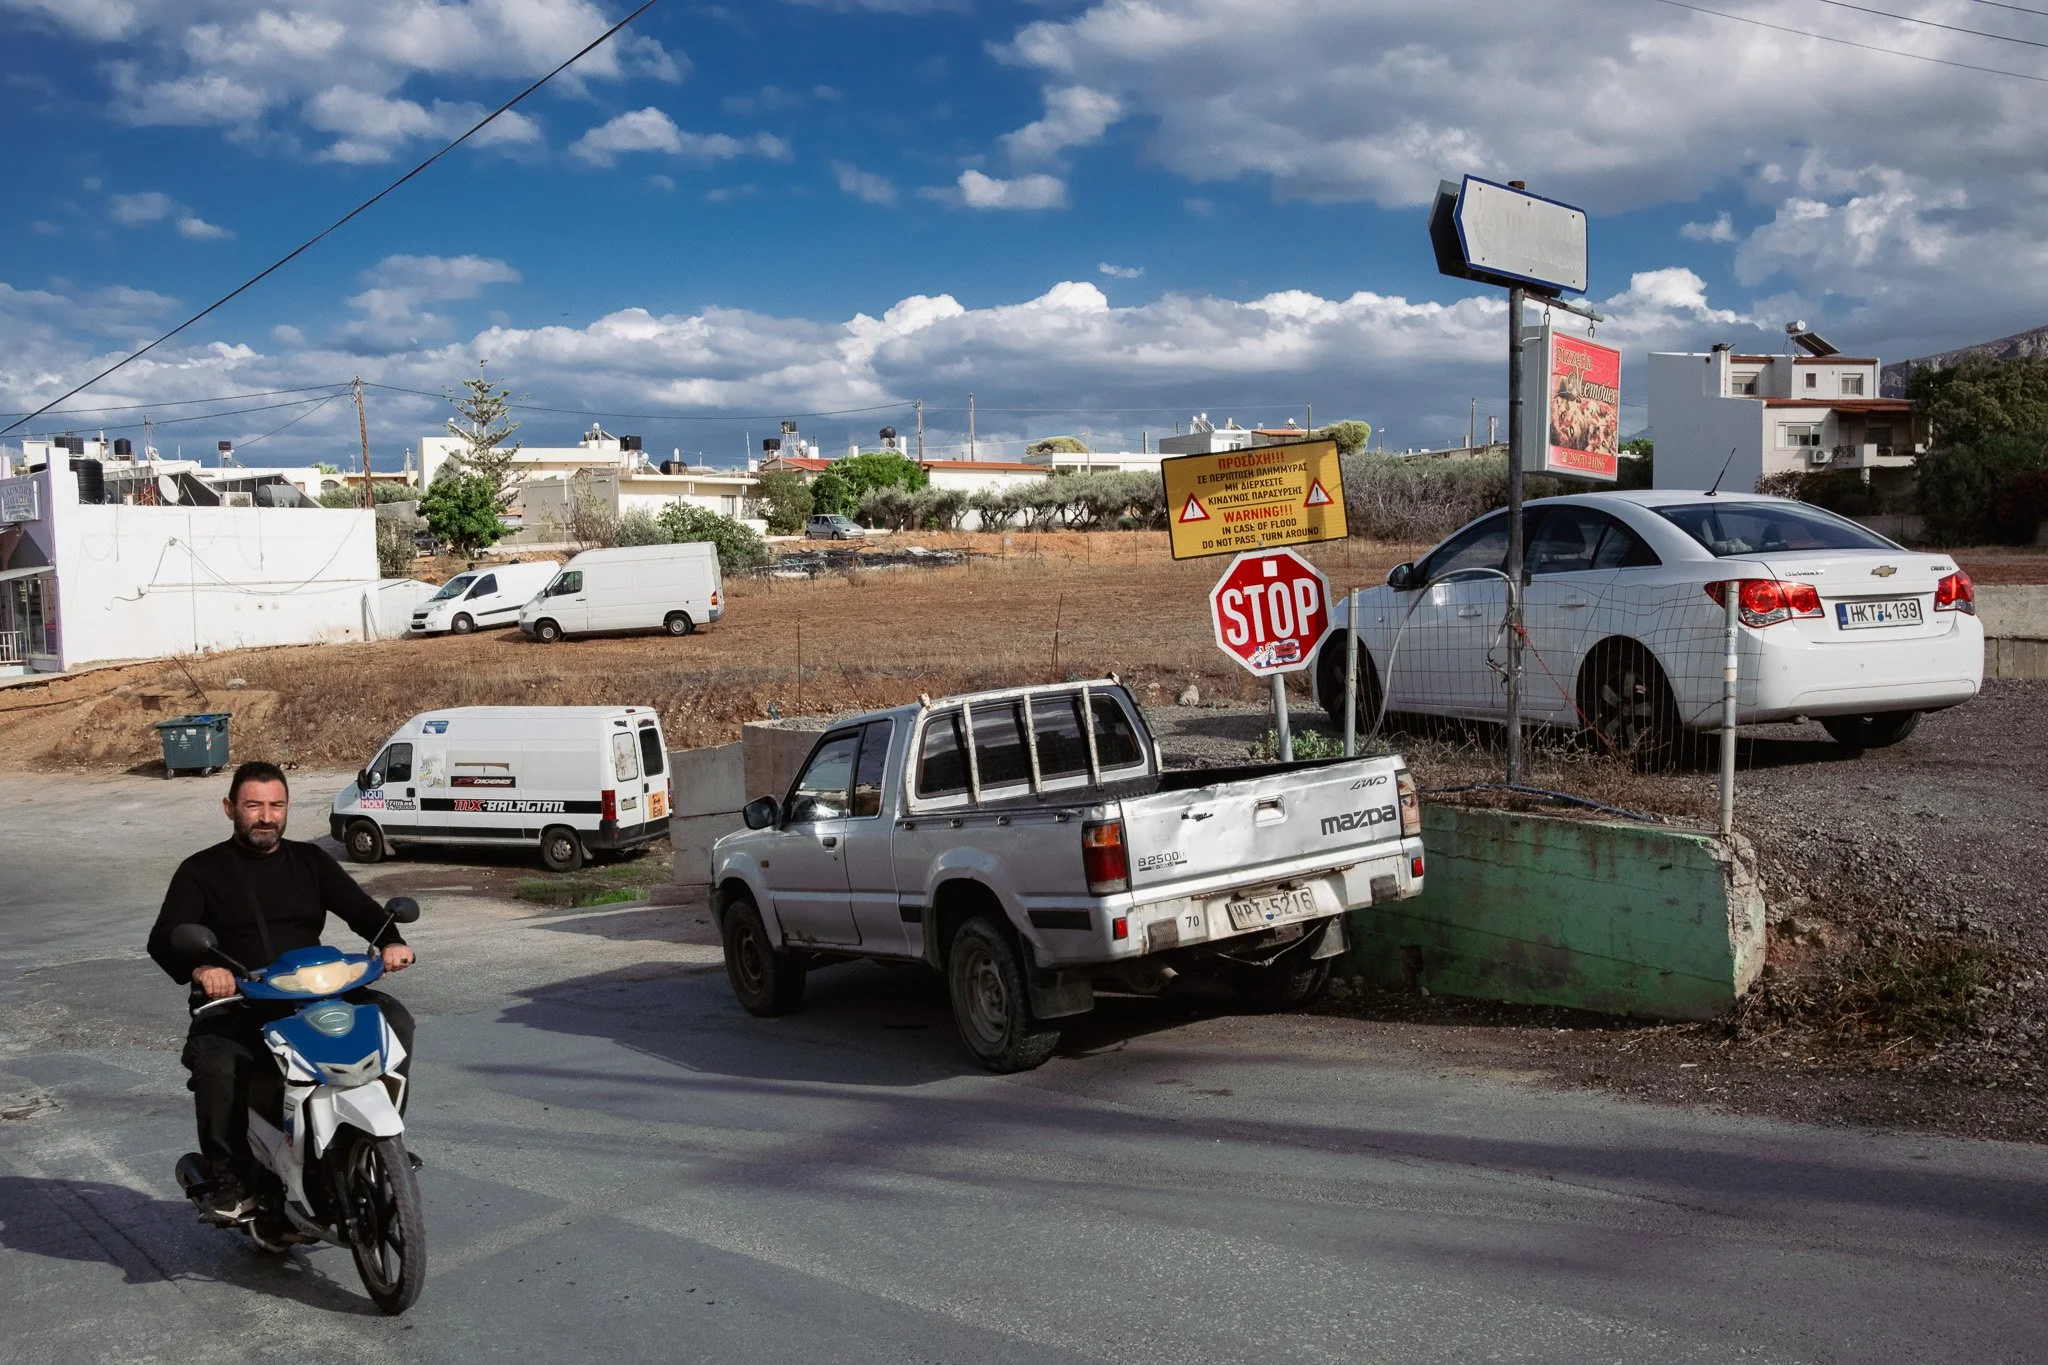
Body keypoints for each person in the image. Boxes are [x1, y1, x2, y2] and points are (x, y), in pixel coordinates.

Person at [147, 760, 416, 1222]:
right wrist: (203, 967)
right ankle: (231, 1180)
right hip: (238, 999)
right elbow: (165, 935)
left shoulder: (310, 860)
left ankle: (380, 1141)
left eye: (276, 805)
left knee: (393, 1020)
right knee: (218, 1063)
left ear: (287, 808)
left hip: (312, 990)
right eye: (253, 805)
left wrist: (390, 939)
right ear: (230, 807)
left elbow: (360, 909)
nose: (266, 816)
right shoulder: (201, 870)